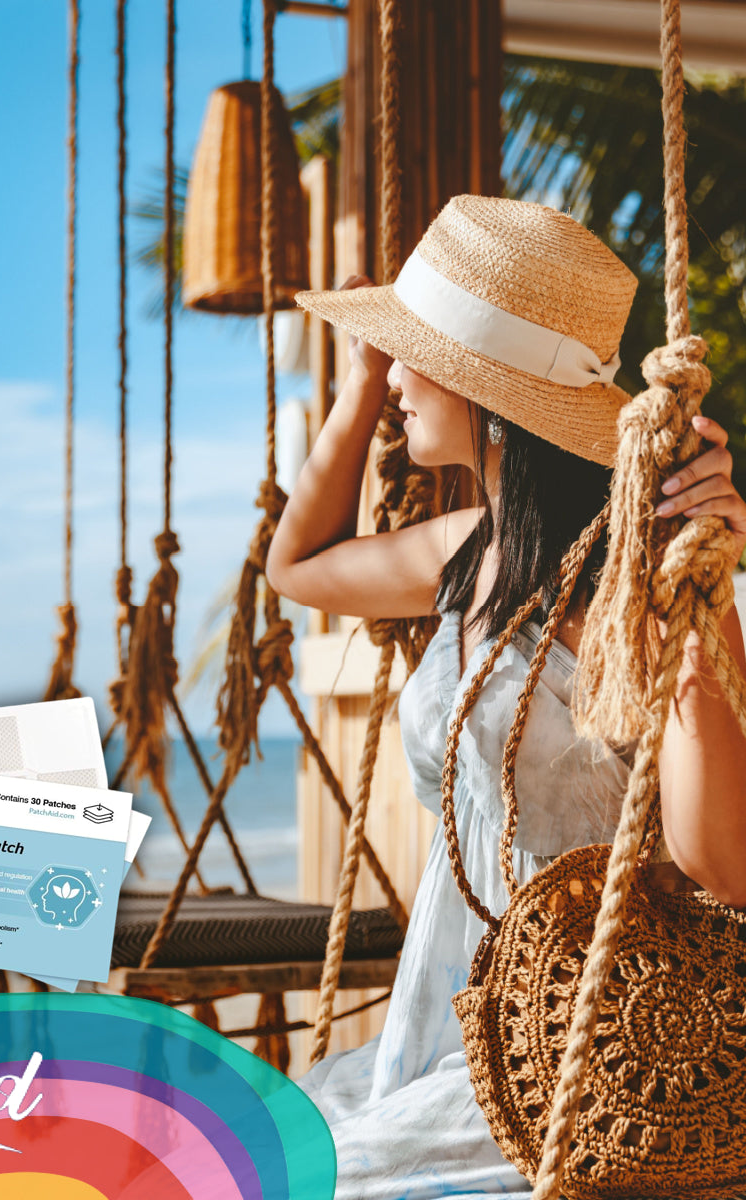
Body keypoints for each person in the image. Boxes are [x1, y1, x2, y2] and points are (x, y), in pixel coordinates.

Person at [265, 195, 746, 1199]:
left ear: (485, 391)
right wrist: (359, 382)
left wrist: (702, 591)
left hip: (599, 1032)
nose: (396, 380)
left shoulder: (640, 585)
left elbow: (721, 861)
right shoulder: (471, 552)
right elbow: (296, 567)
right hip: (461, 1014)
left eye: (411, 357)